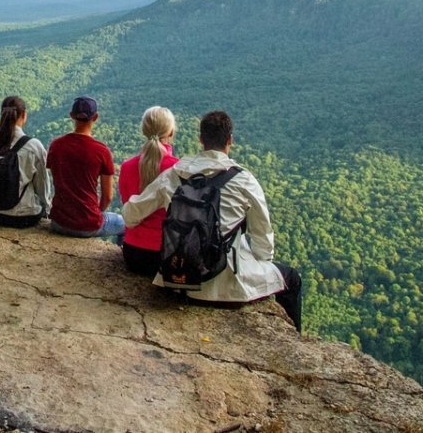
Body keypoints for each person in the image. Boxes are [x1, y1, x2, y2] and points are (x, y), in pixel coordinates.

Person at [123, 110, 303, 332]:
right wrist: (261, 263)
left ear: (200, 139)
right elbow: (262, 236)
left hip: (177, 280)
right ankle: (293, 337)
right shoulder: (244, 180)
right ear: (230, 141)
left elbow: (130, 215)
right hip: (228, 285)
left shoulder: (175, 174)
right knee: (292, 279)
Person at [46, 95, 124, 239]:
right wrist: (96, 214)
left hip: (58, 222)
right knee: (126, 223)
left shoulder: (56, 146)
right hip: (88, 225)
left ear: (71, 116)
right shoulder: (102, 151)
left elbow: (57, 176)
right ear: (95, 117)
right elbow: (107, 197)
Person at [117, 106, 179, 276]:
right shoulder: (178, 169)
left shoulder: (127, 167)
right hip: (165, 256)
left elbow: (127, 207)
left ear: (143, 131)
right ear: (171, 132)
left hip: (133, 255)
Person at [0, 95, 51, 228]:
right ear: (24, 115)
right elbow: (42, 186)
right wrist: (47, 208)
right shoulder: (33, 146)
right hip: (23, 217)